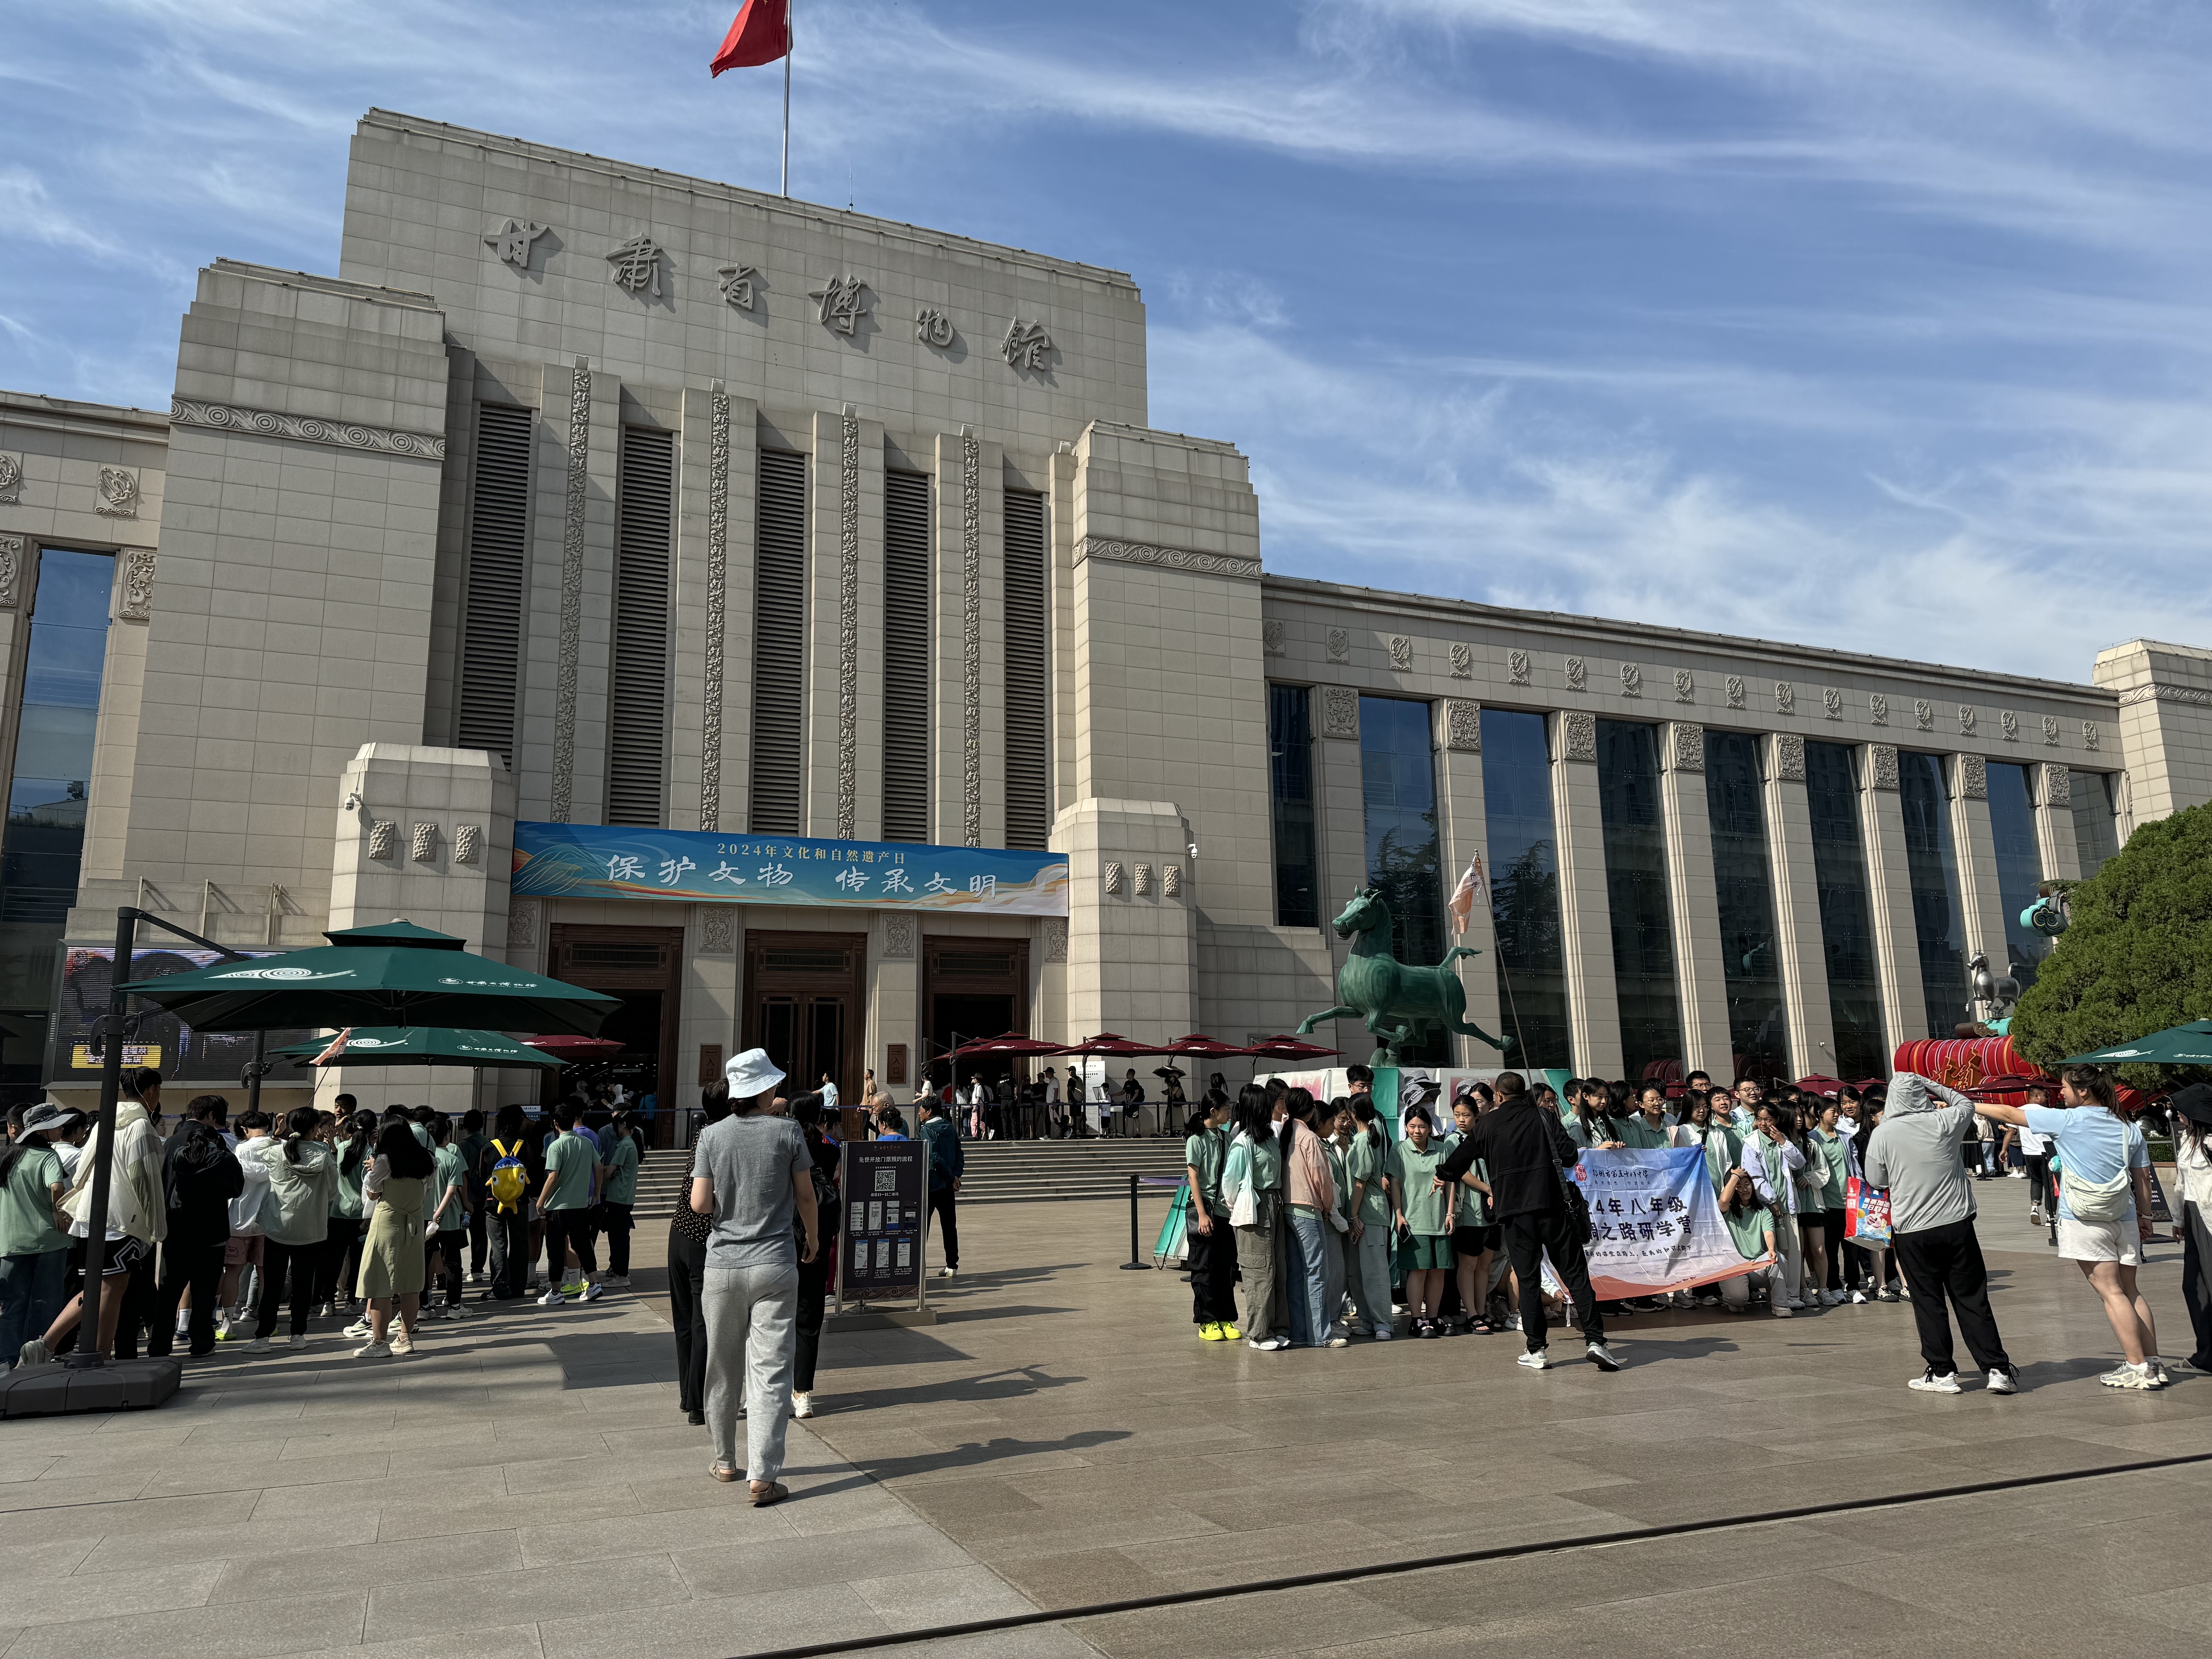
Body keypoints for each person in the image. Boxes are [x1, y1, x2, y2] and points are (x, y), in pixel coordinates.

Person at [1974, 1065, 2159, 1388]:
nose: (2060, 1093)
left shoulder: (2068, 1120)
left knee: (2111, 1292)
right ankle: (2154, 1363)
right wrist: (2145, 1217)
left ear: (2084, 1091)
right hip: (2125, 1214)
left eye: (2065, 1088)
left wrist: (1964, 1102)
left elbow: (2009, 1113)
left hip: (2085, 1216)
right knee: (2130, 1291)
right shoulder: (2128, 1127)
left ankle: (2137, 1366)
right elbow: (2142, 1177)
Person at [692, 1048, 818, 1504]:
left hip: (723, 1265)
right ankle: (763, 1475)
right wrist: (814, 1239)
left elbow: (700, 1205)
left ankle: (725, 1462)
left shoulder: (711, 1136)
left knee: (722, 1366)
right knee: (770, 1371)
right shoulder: (788, 1132)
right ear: (763, 1089)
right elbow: (806, 1196)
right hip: (775, 1261)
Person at [1434, 1071, 1617, 1372]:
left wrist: (1441, 1175)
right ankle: (1596, 1341)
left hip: (1514, 1215)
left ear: (1499, 1097)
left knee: (1529, 1280)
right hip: (1553, 1209)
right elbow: (1571, 1156)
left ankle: (1537, 1350)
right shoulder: (1544, 1117)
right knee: (1576, 1275)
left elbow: (1457, 1162)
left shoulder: (1487, 1125)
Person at [1864, 1073, 2017, 1395]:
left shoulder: (1884, 1133)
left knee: (1928, 1301)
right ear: (1922, 1094)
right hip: (1957, 1222)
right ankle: (1997, 1369)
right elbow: (1965, 1101)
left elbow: (1876, 1180)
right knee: (1973, 1298)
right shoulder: (1946, 1119)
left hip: (1913, 1228)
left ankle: (1942, 1371)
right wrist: (1930, 1083)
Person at [57, 1071, 170, 1361]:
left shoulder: (104, 1121)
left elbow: (82, 1169)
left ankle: (61, 1346)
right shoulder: (142, 1127)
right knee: (110, 1291)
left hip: (90, 1215)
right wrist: (157, 1225)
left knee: (98, 1289)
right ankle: (87, 1351)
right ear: (153, 1090)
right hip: (122, 1218)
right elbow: (144, 1178)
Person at [244, 1106, 337, 1353]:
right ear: (316, 1128)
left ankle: (262, 1337)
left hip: (277, 1225)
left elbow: (252, 1151)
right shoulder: (324, 1153)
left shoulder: (277, 1151)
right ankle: (298, 1334)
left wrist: (278, 1134)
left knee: (272, 1283)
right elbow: (332, 1192)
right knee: (304, 1284)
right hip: (310, 1228)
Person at [669, 1082, 732, 1426]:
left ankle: (687, 1396)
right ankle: (697, 1403)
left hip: (678, 1232)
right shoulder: (721, 1137)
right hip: (698, 1236)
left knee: (684, 1321)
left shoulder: (702, 1132)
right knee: (702, 1320)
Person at [2, 1103, 76, 1367]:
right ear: (42, 1131)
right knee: (46, 1301)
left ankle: (7, 1359)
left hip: (11, 1242)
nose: (61, 1129)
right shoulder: (48, 1157)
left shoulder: (9, 1157)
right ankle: (38, 1356)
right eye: (56, 1125)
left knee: (13, 1304)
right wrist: (58, 1211)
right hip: (49, 1240)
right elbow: (56, 1185)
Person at [355, 1119, 431, 1358]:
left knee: (380, 1284)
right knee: (411, 1284)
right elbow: (426, 1189)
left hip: (388, 1223)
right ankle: (405, 1338)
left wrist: (371, 1169)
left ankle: (379, 1343)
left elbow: (373, 1193)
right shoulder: (428, 1158)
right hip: (415, 1225)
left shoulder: (385, 1160)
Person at [1222, 1084, 1286, 1352]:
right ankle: (1258, 1334)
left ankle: (1275, 1327)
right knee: (1260, 1272)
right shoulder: (1243, 1143)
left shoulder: (1271, 1138)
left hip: (1276, 1203)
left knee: (1277, 1272)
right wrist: (1243, 1207)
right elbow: (1230, 1184)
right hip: (1255, 1208)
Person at [788, 1095, 840, 1420]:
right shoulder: (831, 1148)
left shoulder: (787, 1145)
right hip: (818, 1237)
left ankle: (765, 1389)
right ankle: (802, 1393)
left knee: (772, 1315)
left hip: (785, 1235)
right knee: (809, 1316)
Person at [536, 1099, 604, 1306]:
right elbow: (599, 1167)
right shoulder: (586, 1143)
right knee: (583, 1246)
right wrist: (596, 1195)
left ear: (556, 1123)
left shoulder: (556, 1146)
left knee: (556, 1250)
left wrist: (541, 1202)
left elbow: (552, 1177)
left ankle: (556, 1291)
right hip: (580, 1205)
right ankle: (593, 1284)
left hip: (558, 1207)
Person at [1182, 1094, 1238, 1340]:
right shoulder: (1196, 1140)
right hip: (1204, 1210)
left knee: (1226, 1267)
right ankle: (1207, 1322)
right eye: (1226, 1109)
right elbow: (1193, 1177)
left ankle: (1225, 1318)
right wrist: (1203, 1214)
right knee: (1203, 1268)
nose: (1229, 1113)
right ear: (1214, 1111)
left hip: (1225, 1212)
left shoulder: (1227, 1138)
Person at [1394, 1105, 1453, 1338]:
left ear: (1430, 1128)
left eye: (1422, 1126)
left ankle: (1433, 1317)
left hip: (1439, 1218)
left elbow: (1451, 1182)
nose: (1417, 1131)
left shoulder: (1442, 1150)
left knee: (1438, 1271)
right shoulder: (1399, 1150)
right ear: (1406, 1128)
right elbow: (1395, 1183)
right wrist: (1399, 1215)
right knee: (1418, 1271)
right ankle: (1416, 1320)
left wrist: (1450, 1213)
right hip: (1412, 1220)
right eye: (1412, 1127)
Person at [2167, 1082, 2212, 1376]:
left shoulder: (2210, 1143)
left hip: (2209, 1218)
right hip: (2193, 1214)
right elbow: (2182, 1183)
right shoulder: (2189, 1140)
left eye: (2182, 1110)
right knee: (2194, 1286)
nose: (2177, 1114)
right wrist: (2179, 1220)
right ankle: (2206, 1355)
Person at [1343, 1099, 1397, 1340]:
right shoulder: (1364, 1139)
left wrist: (1354, 1215)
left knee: (1375, 1272)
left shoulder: (1365, 1141)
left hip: (1369, 1213)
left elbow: (1360, 1182)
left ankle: (1383, 1322)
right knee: (1358, 1273)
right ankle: (1368, 1320)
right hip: (1363, 1213)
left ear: (1353, 1114)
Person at [1445, 1093, 1498, 1334]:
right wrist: (1488, 1189)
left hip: (1492, 1211)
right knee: (1468, 1264)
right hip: (1469, 1211)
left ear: (1477, 1116)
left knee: (1484, 1264)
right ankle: (1471, 1313)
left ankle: (1482, 1309)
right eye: (1457, 1115)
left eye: (1466, 1115)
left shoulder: (1486, 1137)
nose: (1461, 1120)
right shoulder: (1452, 1141)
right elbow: (1460, 1172)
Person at [422, 1114, 471, 1321]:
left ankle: (423, 1306)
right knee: (452, 1263)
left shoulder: (422, 1159)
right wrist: (439, 1214)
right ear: (447, 1136)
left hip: (424, 1218)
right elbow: (453, 1191)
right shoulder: (452, 1159)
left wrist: (431, 1215)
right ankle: (455, 1306)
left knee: (424, 1263)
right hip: (449, 1220)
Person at [918, 1093, 962, 1281]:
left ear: (929, 1111)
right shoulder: (950, 1128)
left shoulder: (928, 1129)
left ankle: (918, 1266)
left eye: (920, 1110)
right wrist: (956, 1176)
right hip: (948, 1187)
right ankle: (952, 1265)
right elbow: (959, 1153)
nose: (919, 1113)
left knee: (923, 1228)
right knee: (949, 1226)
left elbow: (933, 1157)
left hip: (932, 1185)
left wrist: (950, 1176)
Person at [598, 1108, 642, 1289]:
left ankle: (622, 1274)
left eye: (617, 1125)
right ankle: (619, 1272)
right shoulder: (632, 1143)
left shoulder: (625, 1144)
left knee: (619, 1238)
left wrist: (596, 1168)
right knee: (619, 1236)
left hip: (619, 1197)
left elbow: (608, 1173)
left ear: (623, 1125)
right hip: (625, 1195)